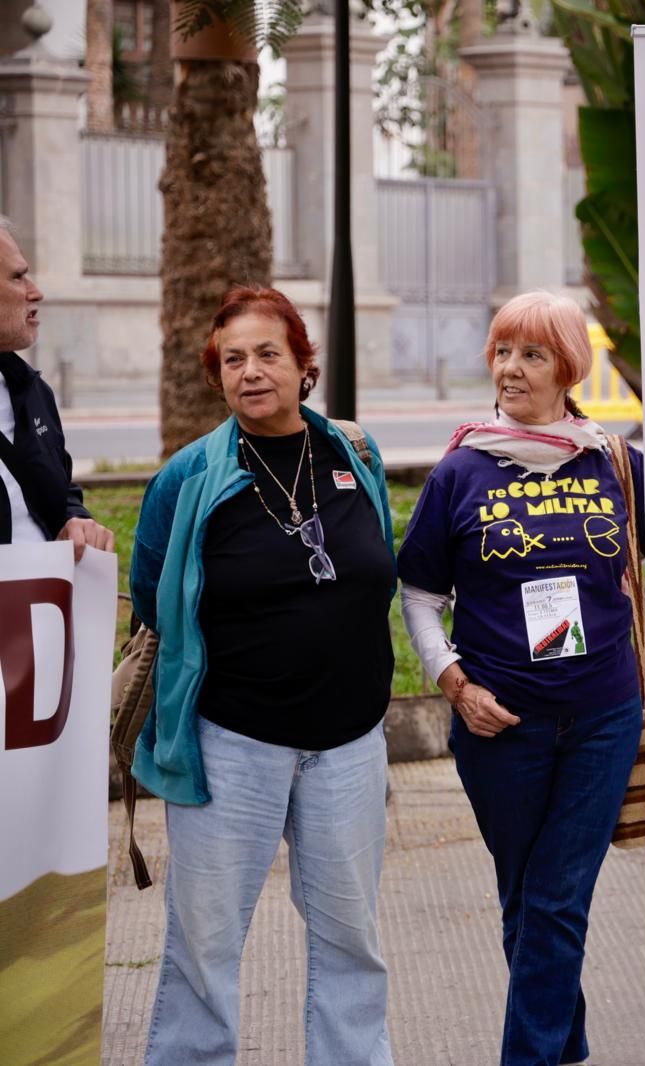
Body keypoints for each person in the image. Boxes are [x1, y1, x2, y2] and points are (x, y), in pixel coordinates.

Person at [130, 287, 397, 1066]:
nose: (251, 372)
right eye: (233, 360)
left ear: (303, 364)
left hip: (349, 746)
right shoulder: (188, 478)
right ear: (218, 376)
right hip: (231, 747)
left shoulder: (355, 454)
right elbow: (154, 597)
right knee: (203, 948)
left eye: (268, 354)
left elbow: (375, 567)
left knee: (353, 944)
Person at [397, 289, 644, 1066]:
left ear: (567, 368)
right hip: (497, 722)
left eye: (532, 354)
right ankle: (565, 1047)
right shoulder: (462, 471)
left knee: (557, 897)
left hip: (603, 714)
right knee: (527, 899)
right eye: (503, 351)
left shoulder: (614, 463)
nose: (511, 368)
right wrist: (454, 684)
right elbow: (419, 593)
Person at [0, 218, 114, 555]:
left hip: (40, 604)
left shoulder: (31, 390)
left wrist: (75, 519)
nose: (36, 292)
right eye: (17, 277)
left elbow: (57, 491)